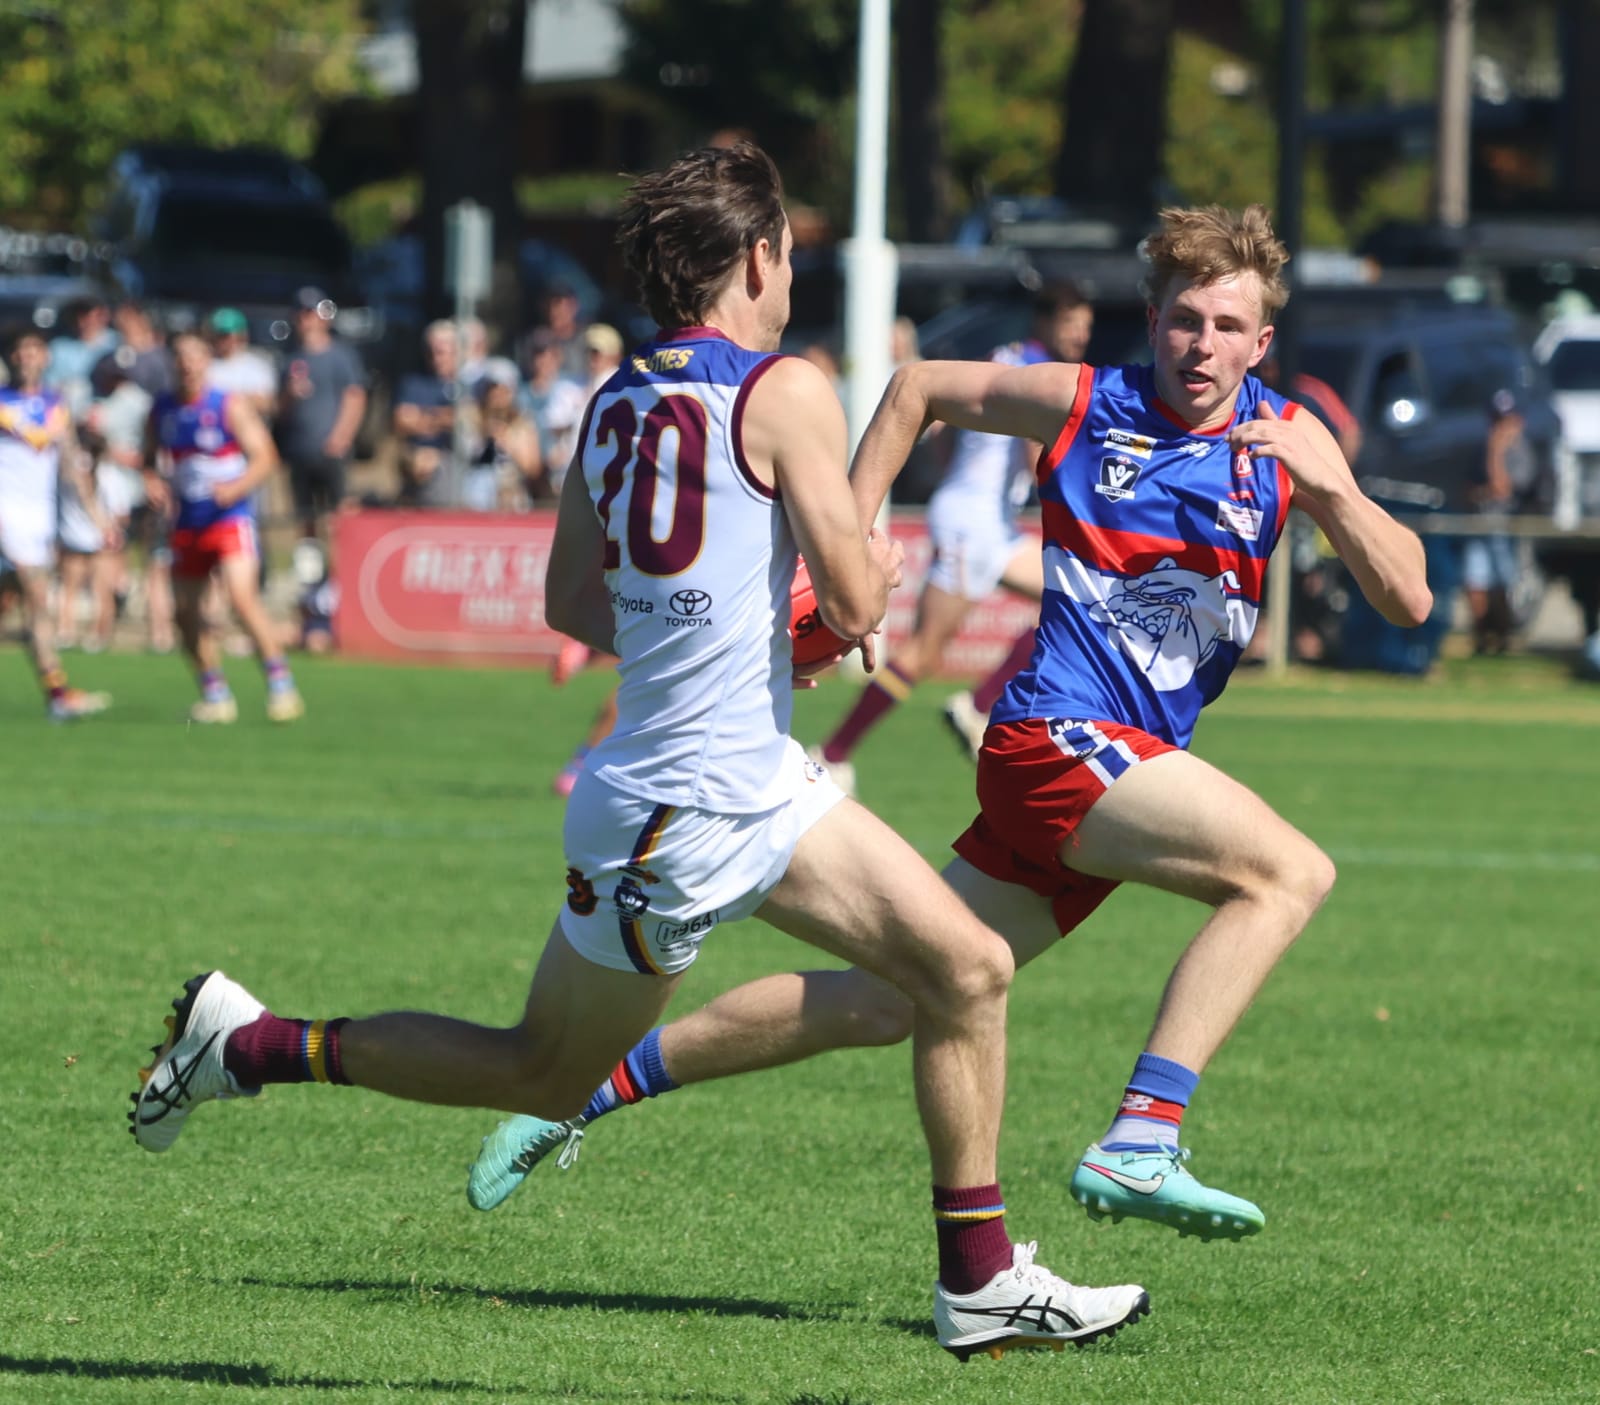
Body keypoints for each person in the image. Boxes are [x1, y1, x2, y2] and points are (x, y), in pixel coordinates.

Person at [128, 141, 1149, 1363]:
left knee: (956, 973)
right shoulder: (787, 389)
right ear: (757, 255)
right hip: (693, 804)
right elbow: (855, 590)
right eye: (787, 259)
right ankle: (249, 1043)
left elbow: (573, 602)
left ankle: (979, 1280)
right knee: (551, 1070)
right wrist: (842, 601)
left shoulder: (615, 399)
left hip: (717, 782)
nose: (790, 283)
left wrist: (729, 628)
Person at [466, 204, 1434, 1259]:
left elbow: (1408, 601)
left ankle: (583, 1094)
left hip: (1118, 768)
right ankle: (1143, 1135)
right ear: (1150, 320)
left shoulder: (1287, 441)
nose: (1200, 346)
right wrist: (853, 537)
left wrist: (1333, 486)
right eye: (1182, 320)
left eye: (1226, 327)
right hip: (1057, 735)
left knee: (886, 999)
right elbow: (918, 386)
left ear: (1261, 343)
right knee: (1284, 873)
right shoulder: (1084, 402)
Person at [811, 283, 1095, 793]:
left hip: (985, 523)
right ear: (1045, 321)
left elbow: (945, 430)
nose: (1080, 334)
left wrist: (957, 483)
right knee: (922, 653)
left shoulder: (1006, 357)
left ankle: (978, 704)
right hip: (975, 524)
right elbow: (1037, 459)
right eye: (1072, 322)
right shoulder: (1035, 372)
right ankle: (832, 755)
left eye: (1085, 324)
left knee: (1080, 602)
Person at [142, 331, 305, 724]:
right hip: (187, 520)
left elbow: (266, 457)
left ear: (207, 361)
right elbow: (148, 457)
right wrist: (151, 481)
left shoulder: (228, 405)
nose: (188, 364)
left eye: (195, 356)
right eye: (180, 357)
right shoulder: (162, 408)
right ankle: (215, 694)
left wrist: (236, 488)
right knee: (184, 613)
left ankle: (281, 685)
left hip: (229, 518)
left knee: (240, 598)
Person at [0, 328, 113, 719]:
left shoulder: (55, 406)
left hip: (39, 520)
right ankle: (58, 694)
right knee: (36, 598)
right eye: (21, 350)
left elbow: (70, 465)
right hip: (5, 518)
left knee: (22, 607)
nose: (27, 357)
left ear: (45, 357)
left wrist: (97, 515)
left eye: (35, 349)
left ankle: (56, 694)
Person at [275, 287, 367, 554]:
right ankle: (312, 581)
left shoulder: (341, 356)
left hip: (331, 450)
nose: (306, 320)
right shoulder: (289, 357)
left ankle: (344, 571)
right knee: (305, 519)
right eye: (301, 313)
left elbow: (355, 397)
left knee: (339, 515)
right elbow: (279, 410)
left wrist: (341, 437)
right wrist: (288, 395)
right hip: (300, 450)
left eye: (311, 313)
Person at [1461, 388, 1526, 656]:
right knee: (1475, 583)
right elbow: (1467, 490)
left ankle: (1503, 638)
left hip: (1507, 529)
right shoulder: (1478, 450)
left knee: (1502, 586)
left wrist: (1496, 452)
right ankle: (1481, 638)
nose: (1499, 428)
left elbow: (1501, 487)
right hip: (1479, 526)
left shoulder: (1522, 453)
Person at [393, 320, 460, 507]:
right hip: (420, 463)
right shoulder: (414, 384)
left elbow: (468, 421)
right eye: (430, 352)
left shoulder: (469, 384)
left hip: (457, 460)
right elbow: (401, 421)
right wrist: (444, 418)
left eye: (441, 352)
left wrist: (423, 416)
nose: (435, 358)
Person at [205, 308, 278, 419]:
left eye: (225, 335)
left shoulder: (258, 366)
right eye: (217, 335)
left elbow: (267, 404)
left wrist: (227, 401)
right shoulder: (205, 365)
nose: (222, 341)